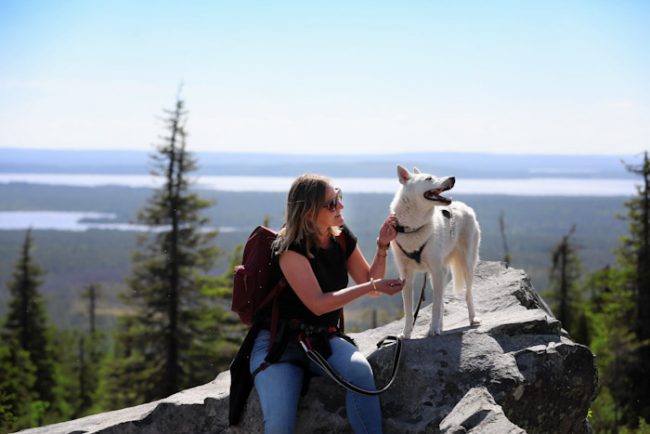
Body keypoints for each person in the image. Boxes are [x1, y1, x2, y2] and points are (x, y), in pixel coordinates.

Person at [249, 173, 404, 434]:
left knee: (360, 374)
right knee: (279, 426)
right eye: (332, 203)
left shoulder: (341, 238)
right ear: (308, 212)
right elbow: (318, 304)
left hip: (322, 341)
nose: (341, 206)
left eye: (339, 198)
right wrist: (371, 286)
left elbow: (370, 281)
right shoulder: (289, 248)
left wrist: (382, 246)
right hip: (279, 347)